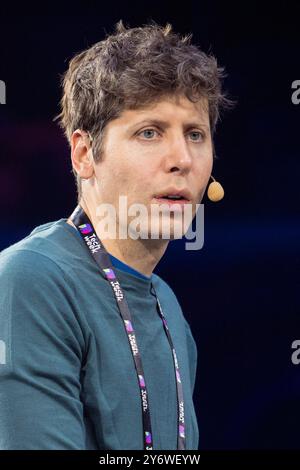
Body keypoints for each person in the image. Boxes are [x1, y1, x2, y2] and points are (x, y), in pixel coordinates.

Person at [0, 20, 229, 450]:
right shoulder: (30, 280)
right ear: (84, 154)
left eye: (195, 134)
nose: (182, 159)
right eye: (149, 132)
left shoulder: (167, 307)